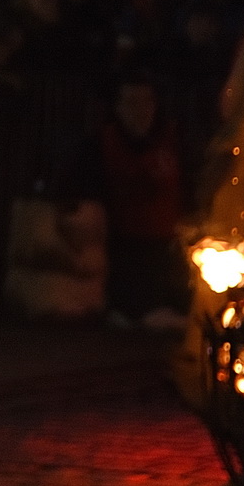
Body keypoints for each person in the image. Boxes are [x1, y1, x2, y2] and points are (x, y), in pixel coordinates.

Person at [61, 70, 189, 329]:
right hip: (121, 247)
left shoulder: (175, 143)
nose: (140, 111)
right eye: (131, 103)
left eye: (146, 102)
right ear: (118, 108)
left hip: (169, 247)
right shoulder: (99, 147)